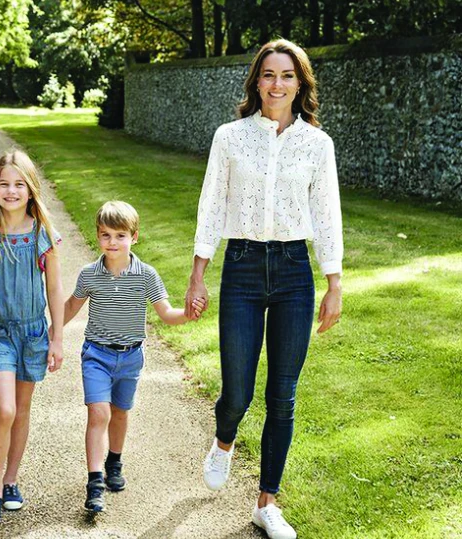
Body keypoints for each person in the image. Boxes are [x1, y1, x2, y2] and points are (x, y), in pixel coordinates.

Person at [186, 39, 343, 539]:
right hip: (243, 267)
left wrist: (334, 282)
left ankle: (267, 503)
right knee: (237, 392)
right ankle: (224, 439)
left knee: (283, 395)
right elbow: (212, 205)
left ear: (301, 84)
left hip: (295, 271)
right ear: (257, 81)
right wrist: (198, 273)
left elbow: (327, 214)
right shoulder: (230, 137)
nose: (278, 84)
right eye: (269, 74)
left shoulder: (317, 144)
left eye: (287, 75)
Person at [63, 201, 205, 513]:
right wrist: (51, 333)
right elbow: (71, 306)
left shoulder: (146, 275)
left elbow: (165, 313)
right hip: (96, 355)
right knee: (98, 413)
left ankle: (114, 462)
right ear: (98, 236)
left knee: (120, 412)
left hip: (130, 358)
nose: (112, 242)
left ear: (134, 237)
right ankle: (94, 482)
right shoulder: (89, 274)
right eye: (105, 235)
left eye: (120, 235)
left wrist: (187, 315)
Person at [0, 150, 65, 529]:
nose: (11, 190)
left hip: (34, 333)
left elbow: (54, 289)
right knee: (4, 409)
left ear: (31, 190)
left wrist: (57, 337)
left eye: (19, 184)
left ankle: (11, 479)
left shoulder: (42, 235)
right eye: (4, 183)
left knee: (21, 409)